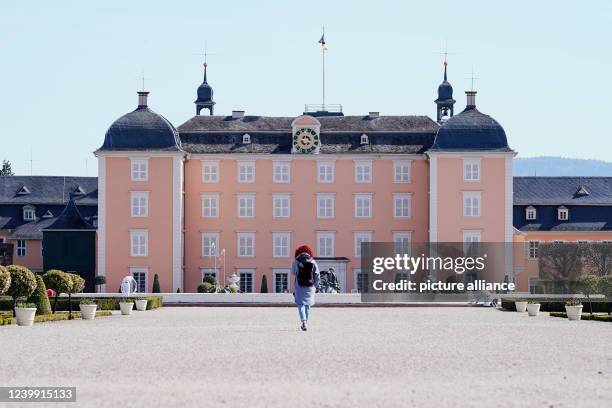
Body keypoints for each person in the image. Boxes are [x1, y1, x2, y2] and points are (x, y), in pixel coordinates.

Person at [292, 245, 320, 331]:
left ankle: (303, 321)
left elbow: (293, 272)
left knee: (301, 305)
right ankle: (306, 322)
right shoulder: (313, 261)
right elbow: (317, 275)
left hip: (299, 286)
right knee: (307, 305)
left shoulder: (296, 261)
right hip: (310, 286)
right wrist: (315, 285)